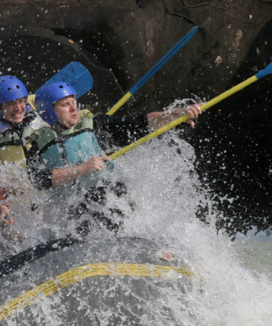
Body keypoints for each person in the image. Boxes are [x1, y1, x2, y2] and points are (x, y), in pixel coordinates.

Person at [26, 81, 202, 232]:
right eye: (65, 105)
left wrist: (174, 115)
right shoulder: (39, 145)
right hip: (71, 211)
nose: (74, 108)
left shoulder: (96, 125)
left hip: (109, 196)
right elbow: (39, 179)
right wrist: (82, 169)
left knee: (109, 196)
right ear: (49, 111)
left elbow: (139, 123)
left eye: (73, 102)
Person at [0, 75, 48, 224]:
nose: (18, 108)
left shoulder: (42, 111)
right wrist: (2, 205)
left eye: (21, 101)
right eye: (10, 104)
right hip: (20, 197)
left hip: (48, 184)